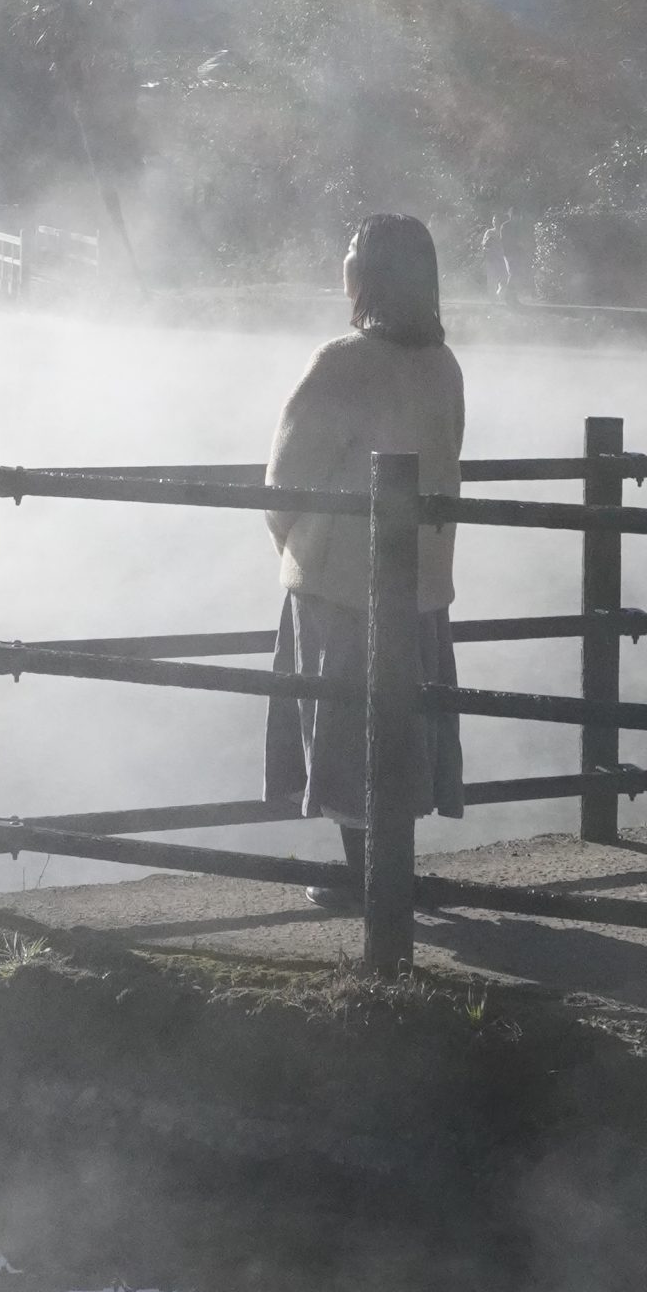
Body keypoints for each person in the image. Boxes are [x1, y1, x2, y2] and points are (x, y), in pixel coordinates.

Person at [261, 212, 466, 906]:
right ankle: (394, 873)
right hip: (422, 581)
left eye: (351, 248)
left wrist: (291, 544)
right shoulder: (443, 364)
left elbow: (285, 479)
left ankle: (368, 883)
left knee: (346, 726)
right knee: (404, 724)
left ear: (368, 272)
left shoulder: (342, 363)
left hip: (339, 579)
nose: (342, 256)